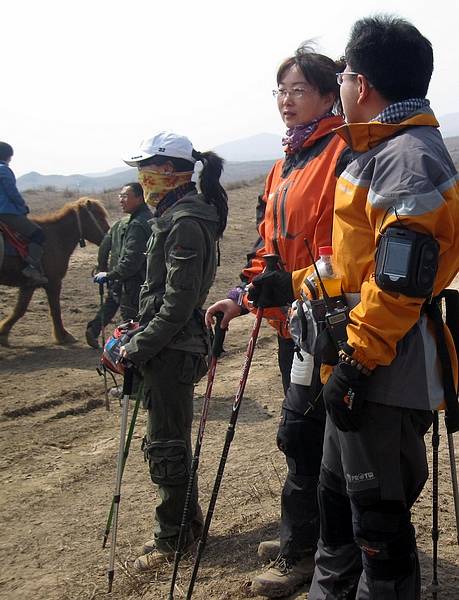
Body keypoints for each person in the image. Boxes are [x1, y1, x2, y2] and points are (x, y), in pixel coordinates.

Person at [250, 15, 459, 600]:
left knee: (378, 525)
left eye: (343, 75)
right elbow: (356, 267)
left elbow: (399, 282)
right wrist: (292, 285)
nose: (341, 83)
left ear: (360, 84)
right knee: (337, 503)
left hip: (382, 367)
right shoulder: (380, 151)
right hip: (355, 356)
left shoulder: (405, 160)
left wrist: (357, 362)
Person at [206, 45, 350, 597]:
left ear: (329, 95)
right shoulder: (285, 161)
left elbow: (346, 251)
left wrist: (290, 284)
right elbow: (269, 249)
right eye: (281, 91)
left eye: (299, 91)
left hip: (330, 322)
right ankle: (305, 532)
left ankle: (306, 551)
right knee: (302, 436)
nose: (287, 101)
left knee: (304, 435)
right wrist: (239, 298)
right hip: (294, 325)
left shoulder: (342, 153)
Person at [118, 131, 228, 572]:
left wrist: (138, 347)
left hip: (173, 348)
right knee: (167, 440)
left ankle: (174, 538)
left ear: (167, 171)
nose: (142, 178)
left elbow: (179, 303)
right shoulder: (173, 215)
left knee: (166, 445)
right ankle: (185, 524)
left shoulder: (184, 221)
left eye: (146, 169)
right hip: (166, 343)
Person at [93, 182, 152, 322]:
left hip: (134, 286)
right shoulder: (147, 218)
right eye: (120, 196)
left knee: (132, 325)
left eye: (125, 196)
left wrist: (109, 274)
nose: (121, 200)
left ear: (139, 198)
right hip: (144, 283)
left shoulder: (137, 225)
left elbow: (131, 262)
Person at [0, 142, 48, 285]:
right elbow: (12, 193)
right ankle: (31, 268)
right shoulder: (4, 170)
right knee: (38, 234)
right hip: (6, 213)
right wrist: (23, 206)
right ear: (9, 156)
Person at [85, 214, 129, 349]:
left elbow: (104, 246)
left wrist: (103, 267)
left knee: (112, 302)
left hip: (114, 271)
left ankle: (94, 329)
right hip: (131, 272)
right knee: (131, 307)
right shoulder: (145, 221)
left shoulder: (118, 224)